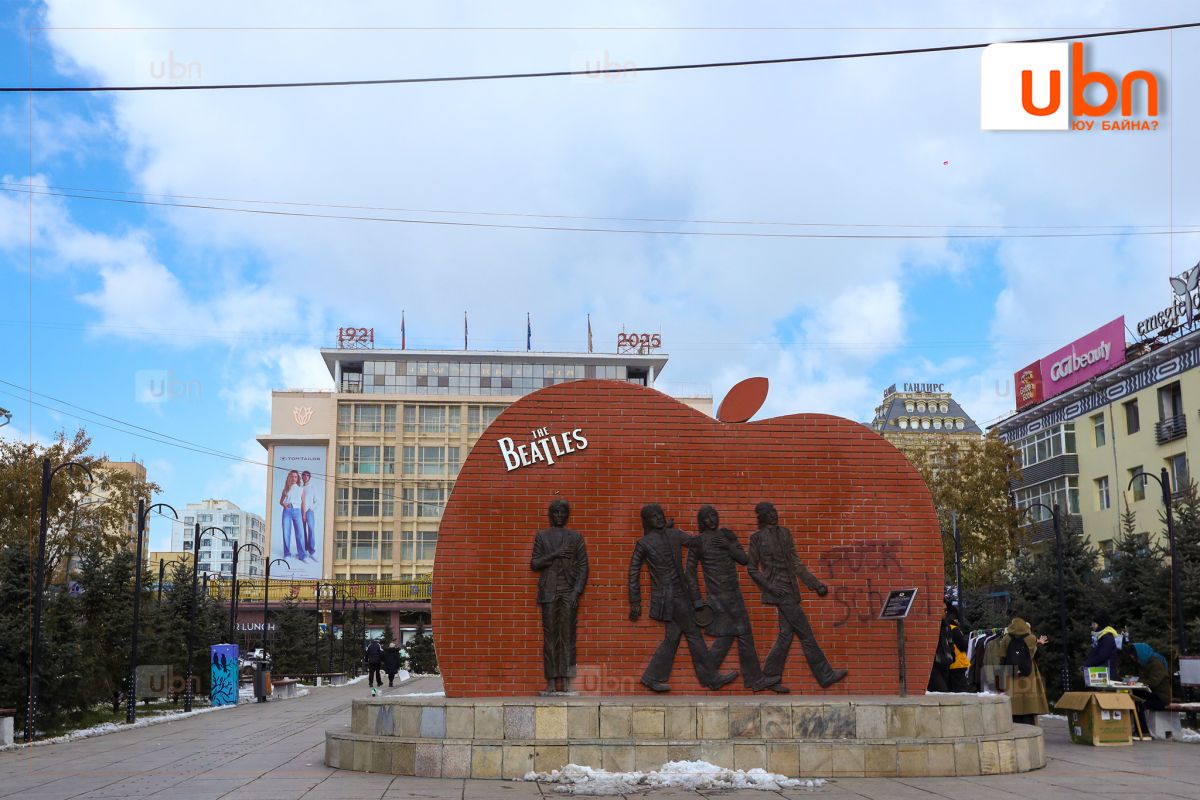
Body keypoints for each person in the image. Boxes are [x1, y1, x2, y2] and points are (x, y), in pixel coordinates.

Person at [628, 503, 737, 692]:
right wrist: (635, 601)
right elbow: (633, 572)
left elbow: (695, 542)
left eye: (660, 514)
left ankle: (651, 677)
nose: (659, 518)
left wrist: (712, 534)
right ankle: (711, 678)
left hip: (680, 596)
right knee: (694, 634)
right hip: (670, 598)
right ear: (647, 521)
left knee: (672, 638)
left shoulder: (674, 535)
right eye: (654, 516)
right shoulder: (645, 543)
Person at [747, 501, 847, 689]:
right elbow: (751, 569)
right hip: (780, 592)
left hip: (791, 590)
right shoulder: (757, 538)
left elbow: (796, 564)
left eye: (774, 511)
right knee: (806, 634)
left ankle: (769, 676)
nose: (773, 515)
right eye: (768, 513)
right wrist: (770, 587)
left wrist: (815, 584)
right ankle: (825, 675)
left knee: (786, 635)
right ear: (762, 517)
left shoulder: (785, 533)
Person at [686, 505, 780, 692]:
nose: (712, 520)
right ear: (701, 521)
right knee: (738, 633)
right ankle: (750, 679)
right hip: (717, 596)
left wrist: (729, 544)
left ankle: (713, 675)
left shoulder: (726, 535)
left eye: (714, 515)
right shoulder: (698, 542)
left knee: (732, 634)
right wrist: (697, 600)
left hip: (733, 593)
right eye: (707, 517)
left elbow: (743, 559)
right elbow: (689, 572)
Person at [530, 499, 589, 694]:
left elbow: (584, 566)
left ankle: (567, 680)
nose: (559, 516)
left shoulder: (575, 537)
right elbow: (535, 563)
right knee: (550, 637)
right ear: (550, 515)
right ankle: (552, 681)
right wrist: (555, 554)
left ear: (567, 515)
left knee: (568, 636)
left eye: (563, 512)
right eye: (555, 512)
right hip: (549, 591)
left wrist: (576, 591)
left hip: (569, 592)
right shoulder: (542, 536)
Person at [998, 617, 1049, 724]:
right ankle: (1029, 721)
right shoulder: (1031, 638)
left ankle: (1015, 721)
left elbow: (1002, 656)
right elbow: (1037, 655)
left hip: (1012, 673)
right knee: (1029, 699)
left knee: (1014, 700)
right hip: (1029, 672)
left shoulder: (1006, 639)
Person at [1127, 642, 1171, 737]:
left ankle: (1143, 731)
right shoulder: (1144, 662)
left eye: (1134, 656)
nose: (1133, 659)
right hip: (1151, 693)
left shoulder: (1156, 663)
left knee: (1140, 704)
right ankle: (1138, 729)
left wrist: (1137, 681)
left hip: (1161, 697)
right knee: (1133, 698)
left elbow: (1153, 682)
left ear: (1140, 654)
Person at [1081, 610, 1121, 681]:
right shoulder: (1101, 637)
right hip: (1100, 674)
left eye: (1094, 624)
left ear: (1100, 624)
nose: (1092, 626)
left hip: (1106, 675)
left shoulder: (1107, 638)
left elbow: (1101, 656)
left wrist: (1086, 664)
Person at [278, 470, 305, 560]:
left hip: (297, 511)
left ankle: (302, 555)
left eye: (295, 477)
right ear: (289, 477)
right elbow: (281, 501)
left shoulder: (301, 489)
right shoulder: (286, 489)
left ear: (298, 478)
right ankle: (287, 554)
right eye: (292, 476)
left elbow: (303, 503)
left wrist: (304, 514)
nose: (294, 478)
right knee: (286, 533)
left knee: (300, 534)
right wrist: (284, 505)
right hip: (287, 511)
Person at [300, 470, 319, 558]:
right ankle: (304, 549)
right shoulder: (300, 488)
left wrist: (311, 509)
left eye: (307, 475)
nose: (306, 477)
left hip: (309, 511)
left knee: (311, 529)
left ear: (309, 477)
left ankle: (311, 550)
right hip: (300, 511)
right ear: (302, 477)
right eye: (304, 475)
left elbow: (317, 501)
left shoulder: (312, 486)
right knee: (302, 530)